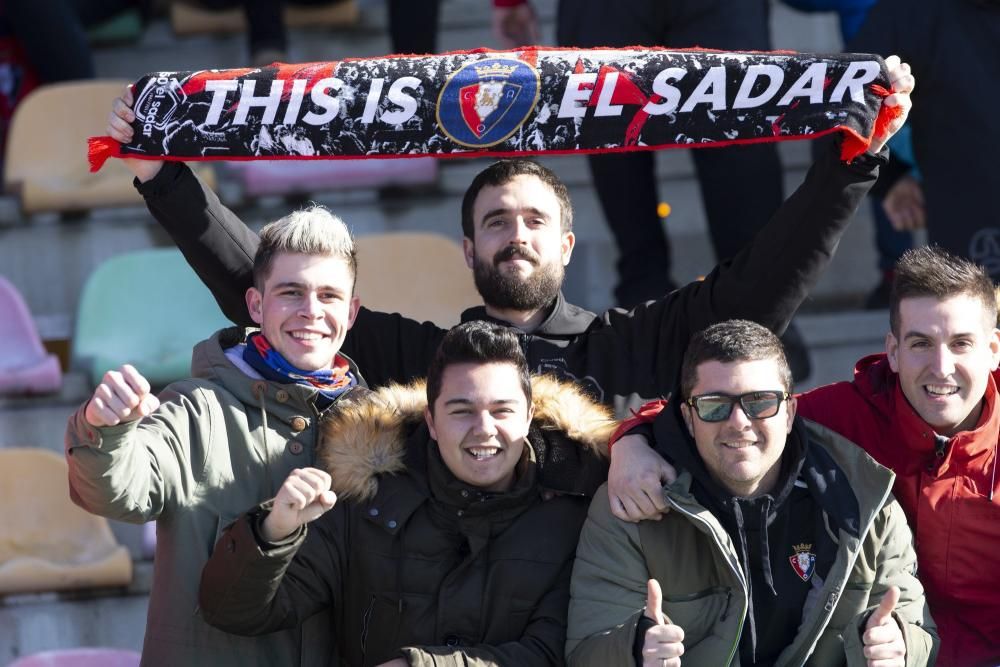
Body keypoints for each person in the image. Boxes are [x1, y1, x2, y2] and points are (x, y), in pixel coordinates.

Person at [105, 57, 913, 524]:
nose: (514, 234)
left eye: (532, 219)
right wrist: (163, 177)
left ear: (564, 243)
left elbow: (758, 291)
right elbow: (284, 293)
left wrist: (850, 164)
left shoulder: (633, 343)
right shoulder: (419, 359)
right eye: (495, 221)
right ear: (467, 248)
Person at [607, 246, 1000, 666]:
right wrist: (631, 439)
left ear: (994, 349)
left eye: (961, 344)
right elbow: (740, 406)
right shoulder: (847, 413)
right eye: (920, 343)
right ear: (893, 350)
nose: (941, 366)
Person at [198, 320, 614, 665]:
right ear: (431, 421)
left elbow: (555, 654)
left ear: (527, 417)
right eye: (461, 411)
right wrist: (273, 533)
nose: (484, 429)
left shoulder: (576, 511)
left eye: (501, 410)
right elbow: (233, 610)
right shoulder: (365, 497)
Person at [65, 206, 366, 666]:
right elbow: (115, 492)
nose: (311, 311)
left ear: (352, 311)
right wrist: (104, 428)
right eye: (291, 292)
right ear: (256, 305)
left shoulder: (378, 429)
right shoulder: (194, 408)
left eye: (329, 295)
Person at [565, 320, 938, 666]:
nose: (739, 422)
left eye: (760, 402)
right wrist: (635, 648)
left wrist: (900, 644)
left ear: (790, 413)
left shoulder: (864, 501)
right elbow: (586, 650)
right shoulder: (633, 502)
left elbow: (920, 633)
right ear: (688, 419)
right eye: (714, 406)